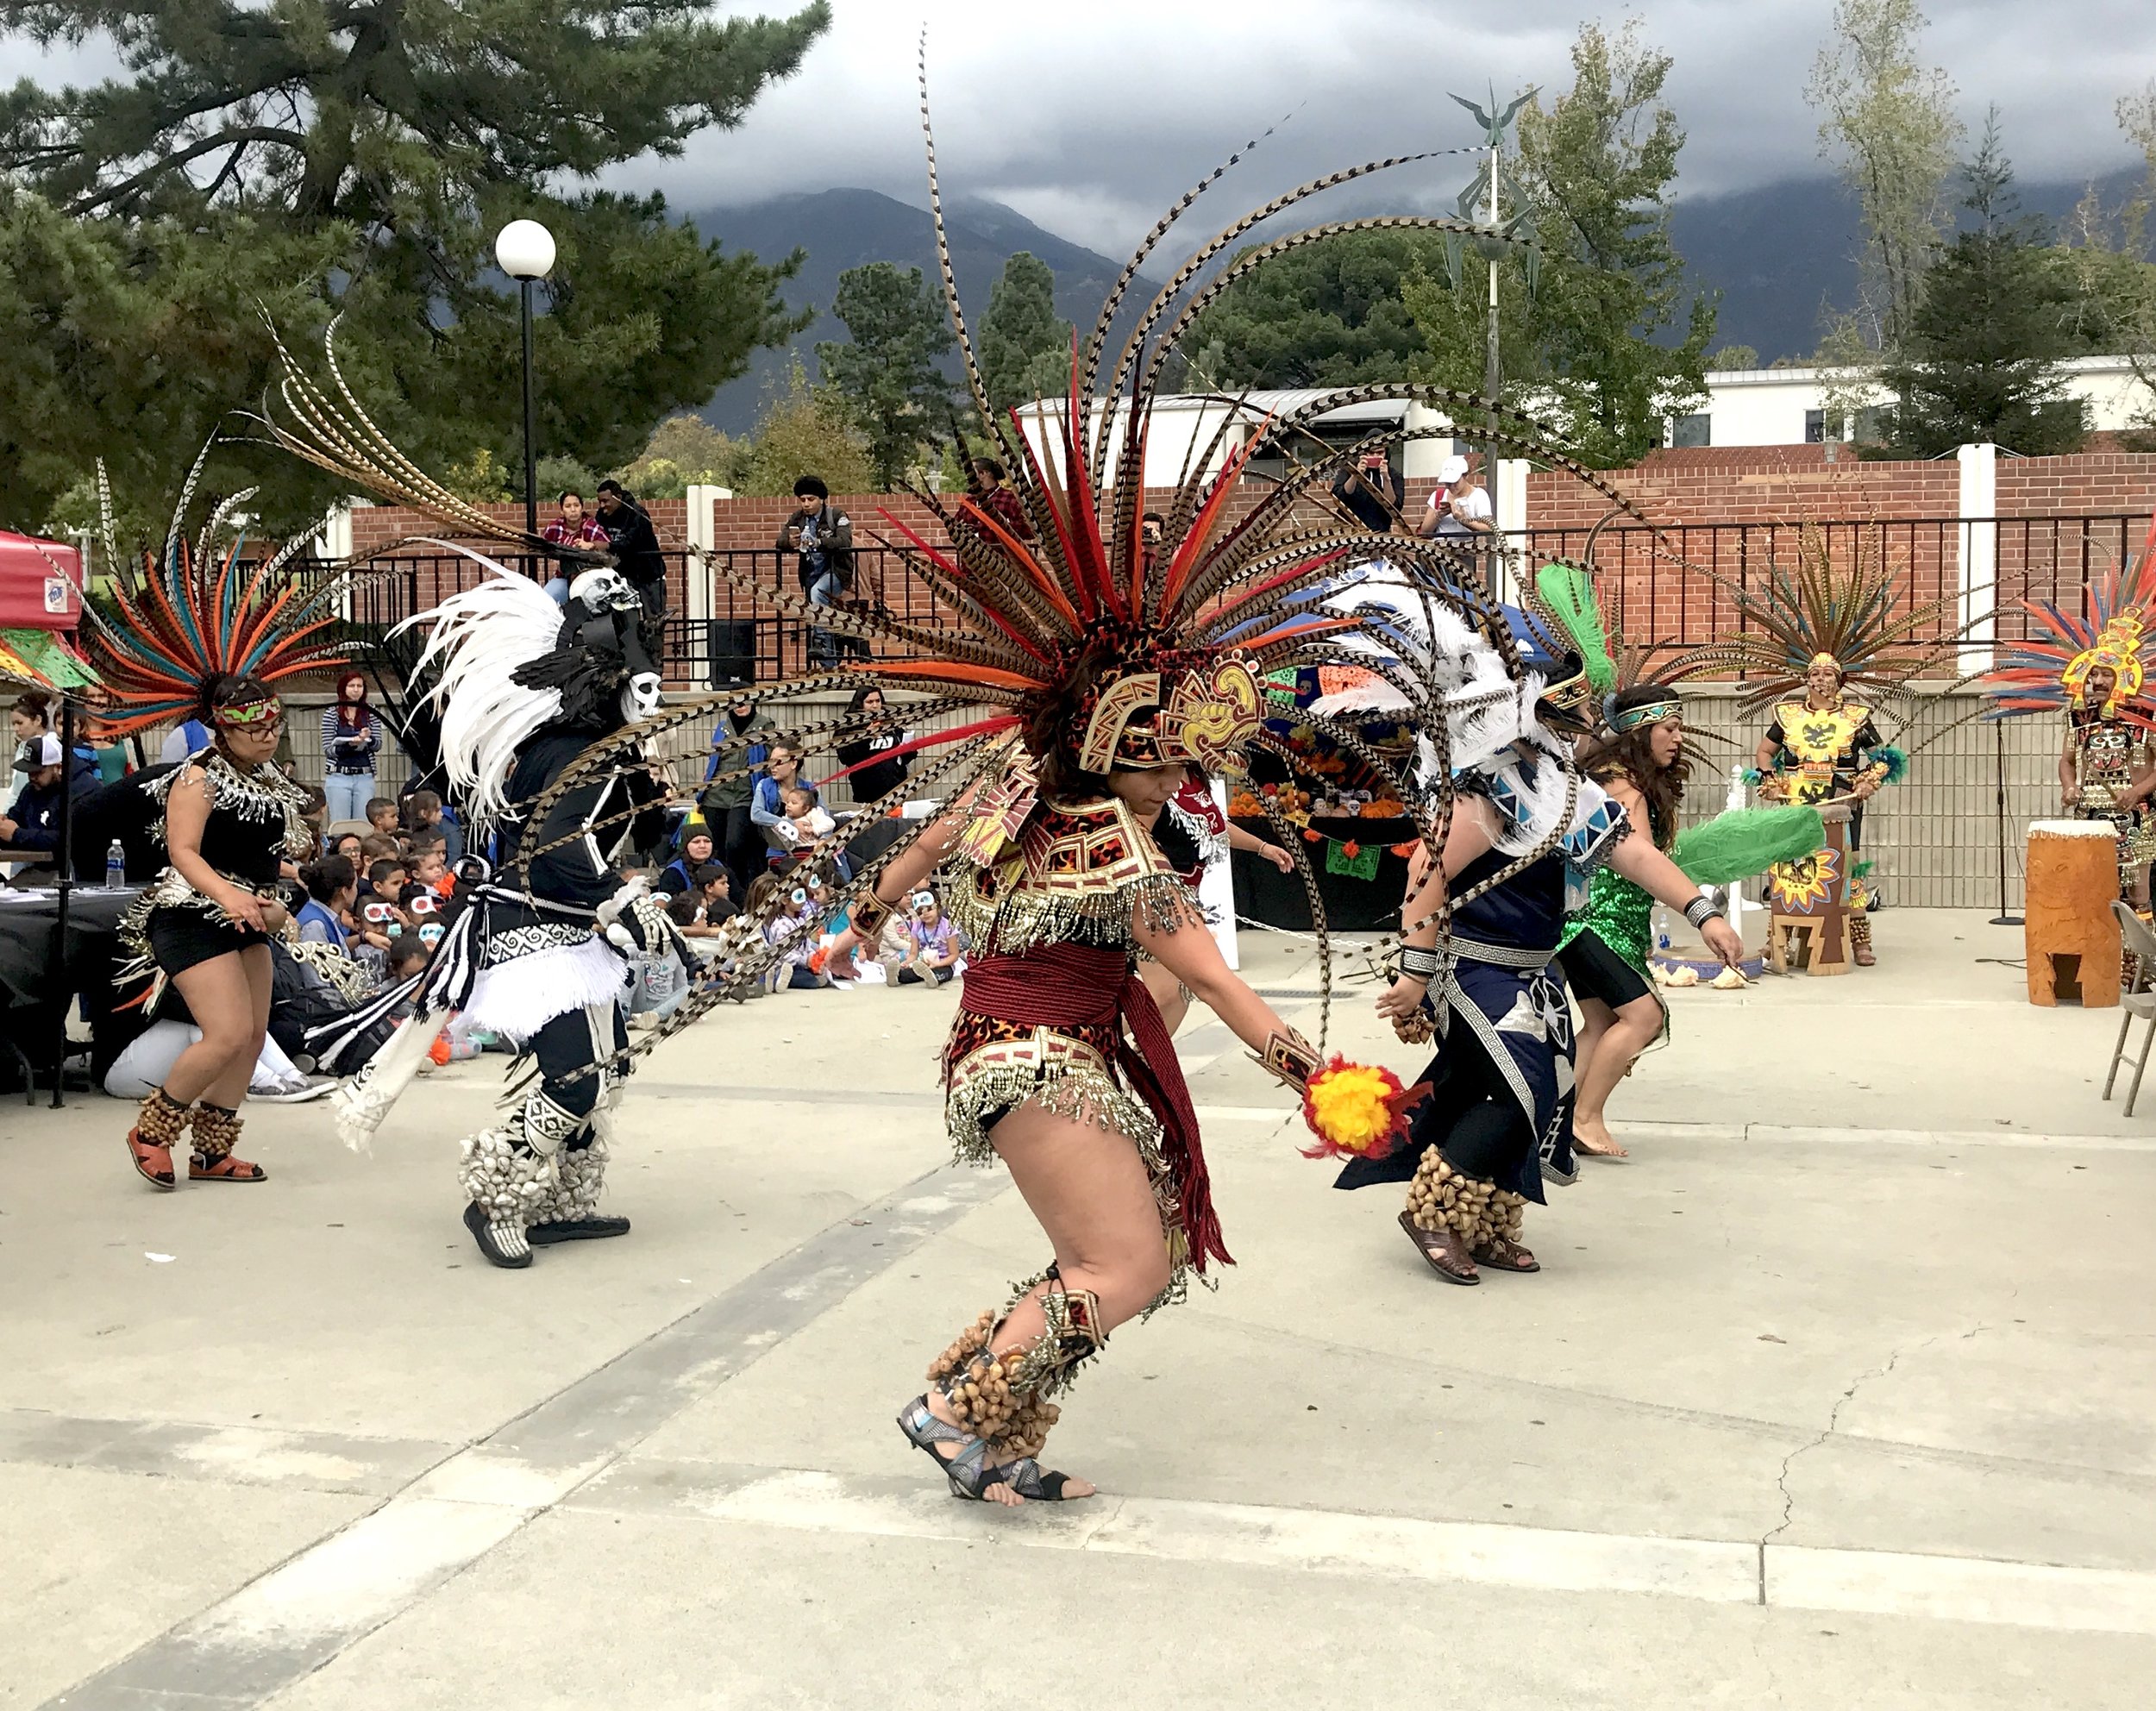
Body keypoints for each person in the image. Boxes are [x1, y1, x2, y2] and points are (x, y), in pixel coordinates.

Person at [1309, 583, 1745, 1285]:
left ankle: (1483, 1223)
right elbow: (1426, 869)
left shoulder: (1561, 781)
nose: (1579, 716)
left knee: (1534, 1094)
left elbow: (1630, 851)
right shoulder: (1484, 788)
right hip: (1475, 969)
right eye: (1564, 699)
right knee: (1519, 1090)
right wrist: (1416, 973)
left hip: (1532, 968)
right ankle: (1433, 1210)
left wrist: (1704, 912)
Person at [317, 561, 676, 1270]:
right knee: (577, 1076)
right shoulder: (574, 750)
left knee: (602, 1070)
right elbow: (559, 846)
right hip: (536, 936)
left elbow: (636, 831)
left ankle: (563, 1201)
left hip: (564, 929)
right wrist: (618, 901)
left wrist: (650, 787)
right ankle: (497, 1198)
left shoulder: (588, 749)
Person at [113, 675, 308, 1188]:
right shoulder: (198, 776)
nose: (268, 735)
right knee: (225, 1035)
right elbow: (183, 851)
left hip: (247, 916)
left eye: (274, 723)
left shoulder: (267, 777)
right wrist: (228, 894)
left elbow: (258, 854)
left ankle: (211, 1153)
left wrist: (275, 896)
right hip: (192, 915)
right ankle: (151, 1134)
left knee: (251, 1039)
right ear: (223, 727)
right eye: (256, 727)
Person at [1556, 686, 1689, 1160]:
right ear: (1640, 730)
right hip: (1595, 920)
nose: (1677, 738)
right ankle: (1584, 1118)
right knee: (1645, 1016)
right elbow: (1639, 856)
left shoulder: (1626, 778)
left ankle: (1553, 1119)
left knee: (1599, 1021)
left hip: (1605, 921)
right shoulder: (1621, 784)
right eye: (1668, 729)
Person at [1752, 655, 1896, 966]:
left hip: (1840, 798)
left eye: (1828, 673)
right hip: (1796, 798)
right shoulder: (1787, 715)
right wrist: (1769, 779)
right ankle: (1778, 937)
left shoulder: (1855, 716)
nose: (1821, 679)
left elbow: (1883, 757)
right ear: (1806, 678)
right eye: (1814, 673)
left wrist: (1869, 780)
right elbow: (1765, 752)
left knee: (1849, 866)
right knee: (1787, 862)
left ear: (1839, 679)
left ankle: (1859, 939)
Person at [1141, 769, 1294, 1031]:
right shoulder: (1160, 780)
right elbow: (1137, 838)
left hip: (1185, 903)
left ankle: (1146, 1064)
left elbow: (1215, 825)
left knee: (1178, 996)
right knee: (1168, 996)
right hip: (1155, 902)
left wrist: (1262, 847)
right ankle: (1094, 1045)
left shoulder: (1195, 778)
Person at [701, 693, 779, 893]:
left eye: (745, 700)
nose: (741, 705)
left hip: (745, 793)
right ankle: (718, 891)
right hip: (716, 794)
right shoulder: (722, 727)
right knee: (715, 847)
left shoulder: (765, 725)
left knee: (735, 844)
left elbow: (774, 757)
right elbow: (715, 760)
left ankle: (737, 888)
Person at [777, 476, 855, 669]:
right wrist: (790, 542)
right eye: (802, 500)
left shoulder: (836, 515)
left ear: (821, 499)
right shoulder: (797, 518)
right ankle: (828, 663)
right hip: (811, 573)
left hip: (836, 571)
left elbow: (845, 541)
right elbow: (780, 541)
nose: (806, 504)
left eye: (810, 499)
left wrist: (819, 542)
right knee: (817, 612)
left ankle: (820, 643)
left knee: (818, 595)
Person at [1, 732, 95, 871]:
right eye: (28, 772)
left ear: (59, 767)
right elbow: (15, 821)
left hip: (78, 873)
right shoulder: (31, 791)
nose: (31, 777)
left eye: (37, 772)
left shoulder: (85, 791)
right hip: (38, 871)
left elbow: (68, 839)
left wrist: (17, 835)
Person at [594, 479, 671, 618]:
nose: (602, 506)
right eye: (600, 501)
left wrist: (607, 546)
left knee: (654, 623)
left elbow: (630, 543)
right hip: (623, 577)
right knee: (626, 622)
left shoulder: (638, 514)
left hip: (649, 575)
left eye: (605, 501)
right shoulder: (601, 516)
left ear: (618, 497)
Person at [834, 684, 912, 807]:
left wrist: (909, 748)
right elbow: (845, 757)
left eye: (878, 701)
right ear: (861, 704)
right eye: (870, 702)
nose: (875, 706)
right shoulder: (849, 727)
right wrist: (867, 736)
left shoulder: (891, 725)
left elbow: (907, 757)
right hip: (866, 792)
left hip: (895, 791)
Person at [320, 672, 381, 824]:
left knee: (364, 825)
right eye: (351, 686)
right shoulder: (332, 713)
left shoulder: (371, 711)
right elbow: (328, 749)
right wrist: (350, 745)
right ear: (343, 688)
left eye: (359, 686)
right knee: (341, 825)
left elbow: (378, 745)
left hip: (364, 776)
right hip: (339, 776)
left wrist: (368, 737)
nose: (356, 690)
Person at [542, 490, 611, 603]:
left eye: (576, 505)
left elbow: (609, 548)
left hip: (591, 579)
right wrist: (554, 558)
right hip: (563, 577)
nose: (573, 510)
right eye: (568, 506)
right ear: (562, 511)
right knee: (545, 601)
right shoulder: (554, 527)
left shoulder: (592, 527)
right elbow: (544, 546)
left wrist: (592, 545)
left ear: (582, 508)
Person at [894, 887, 962, 985]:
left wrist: (938, 964)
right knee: (904, 975)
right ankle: (897, 976)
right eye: (920, 911)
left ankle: (932, 978)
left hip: (943, 964)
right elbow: (913, 953)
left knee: (942, 973)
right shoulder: (917, 926)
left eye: (929, 909)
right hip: (923, 963)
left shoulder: (947, 926)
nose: (925, 914)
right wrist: (907, 963)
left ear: (938, 906)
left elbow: (954, 955)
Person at [1329, 450, 1402, 536]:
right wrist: (1355, 475)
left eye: (1380, 453)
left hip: (1379, 532)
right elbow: (1339, 496)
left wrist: (1386, 479)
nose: (1375, 456)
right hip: (1348, 530)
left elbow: (1394, 506)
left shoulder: (1394, 475)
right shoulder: (1349, 469)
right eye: (1371, 453)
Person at [295, 855, 357, 950]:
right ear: (344, 892)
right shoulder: (315, 925)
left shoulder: (326, 916)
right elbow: (313, 964)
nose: (357, 889)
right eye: (355, 885)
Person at [966, 457, 1033, 541]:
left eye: (971, 472)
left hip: (1001, 552)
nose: (967, 476)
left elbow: (1027, 530)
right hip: (973, 552)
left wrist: (999, 526)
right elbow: (955, 528)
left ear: (983, 473)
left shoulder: (1009, 498)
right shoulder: (970, 500)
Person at [655, 828, 718, 898]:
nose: (703, 846)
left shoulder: (719, 866)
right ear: (685, 847)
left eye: (707, 841)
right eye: (696, 842)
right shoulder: (673, 873)